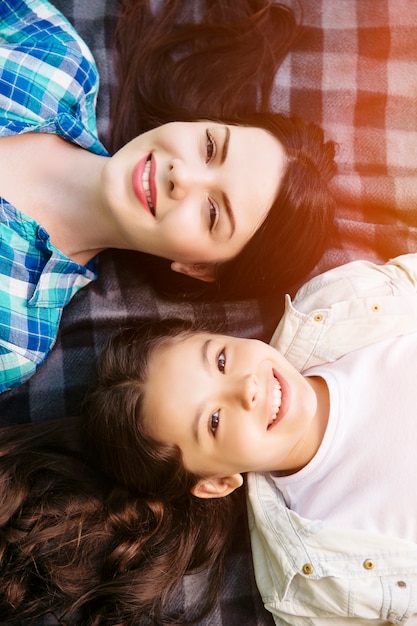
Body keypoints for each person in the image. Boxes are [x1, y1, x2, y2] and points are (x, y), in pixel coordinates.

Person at [0, 0, 337, 394]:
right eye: (209, 147)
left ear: (198, 267)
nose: (182, 175)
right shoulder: (56, 61)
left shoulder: (16, 335)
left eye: (212, 212)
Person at [79, 251, 417, 625]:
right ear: (215, 483)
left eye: (221, 361)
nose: (247, 388)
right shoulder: (309, 587)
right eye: (214, 421)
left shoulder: (339, 302)